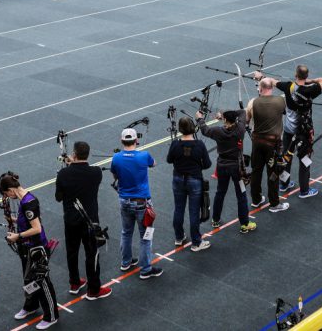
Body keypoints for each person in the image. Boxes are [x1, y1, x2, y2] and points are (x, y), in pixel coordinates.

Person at [0, 172, 59, 328]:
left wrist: (17, 236)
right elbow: (28, 220)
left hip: (37, 247)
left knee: (42, 281)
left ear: (11, 189)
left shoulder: (28, 202)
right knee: (28, 279)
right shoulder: (24, 201)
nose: (8, 197)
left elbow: (37, 228)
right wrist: (14, 220)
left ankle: (51, 315)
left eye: (6, 194)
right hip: (27, 247)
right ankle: (31, 306)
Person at [55, 141, 112, 300]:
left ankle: (74, 283)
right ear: (88, 154)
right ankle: (93, 289)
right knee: (91, 253)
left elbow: (58, 198)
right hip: (90, 222)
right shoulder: (95, 173)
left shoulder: (63, 174)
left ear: (73, 154)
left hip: (71, 220)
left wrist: (67, 167)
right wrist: (73, 163)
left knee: (72, 252)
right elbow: (83, 170)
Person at [110, 128, 164, 277]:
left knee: (126, 233)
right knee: (145, 237)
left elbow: (114, 174)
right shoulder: (144, 156)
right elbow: (154, 163)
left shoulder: (116, 158)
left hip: (124, 201)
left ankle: (126, 262)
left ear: (122, 141)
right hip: (141, 203)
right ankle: (146, 269)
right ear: (136, 141)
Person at [197, 107, 256, 233]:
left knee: (220, 192)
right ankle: (245, 223)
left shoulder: (218, 131)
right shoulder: (240, 129)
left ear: (225, 120)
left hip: (222, 166)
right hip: (237, 167)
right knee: (241, 194)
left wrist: (200, 119)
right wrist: (224, 115)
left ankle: (215, 219)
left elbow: (204, 130)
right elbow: (242, 112)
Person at [273, 65, 322, 194]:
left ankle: (284, 184)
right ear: (306, 76)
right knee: (305, 160)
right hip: (303, 133)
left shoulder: (288, 86)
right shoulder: (310, 90)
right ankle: (304, 191)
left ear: (295, 75)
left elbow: (271, 81)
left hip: (288, 130)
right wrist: (312, 80)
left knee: (286, 158)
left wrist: (260, 76)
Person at [167, 117, 213, 252]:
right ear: (193, 128)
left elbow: (169, 160)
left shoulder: (175, 144)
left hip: (178, 179)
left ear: (180, 129)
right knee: (194, 212)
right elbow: (207, 164)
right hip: (194, 180)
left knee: (178, 209)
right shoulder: (199, 145)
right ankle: (196, 242)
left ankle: (179, 237)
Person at [246, 76, 289, 212]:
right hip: (272, 145)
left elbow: (247, 120)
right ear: (272, 88)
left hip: (257, 142)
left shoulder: (253, 102)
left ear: (260, 89)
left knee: (256, 171)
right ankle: (274, 203)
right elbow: (282, 112)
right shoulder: (280, 100)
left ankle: (256, 200)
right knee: (273, 173)